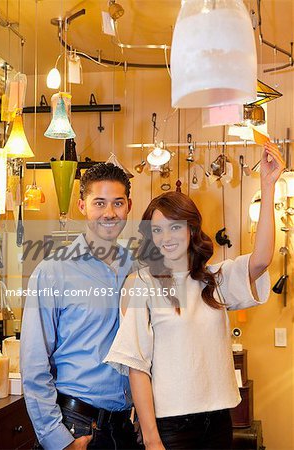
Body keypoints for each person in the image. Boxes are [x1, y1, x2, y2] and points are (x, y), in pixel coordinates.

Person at [104, 142, 285, 450]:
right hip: (171, 428)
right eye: (156, 231)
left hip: (217, 421)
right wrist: (151, 440)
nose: (165, 238)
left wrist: (267, 186)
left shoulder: (214, 279)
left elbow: (260, 260)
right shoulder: (142, 284)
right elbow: (136, 366)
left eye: (174, 227)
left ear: (191, 229)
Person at [20, 163, 141, 450]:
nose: (109, 213)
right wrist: (58, 441)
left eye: (117, 203)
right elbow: (34, 364)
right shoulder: (52, 271)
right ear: (82, 206)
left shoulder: (138, 268)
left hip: (125, 427)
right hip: (76, 427)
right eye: (99, 203)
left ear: (129, 206)